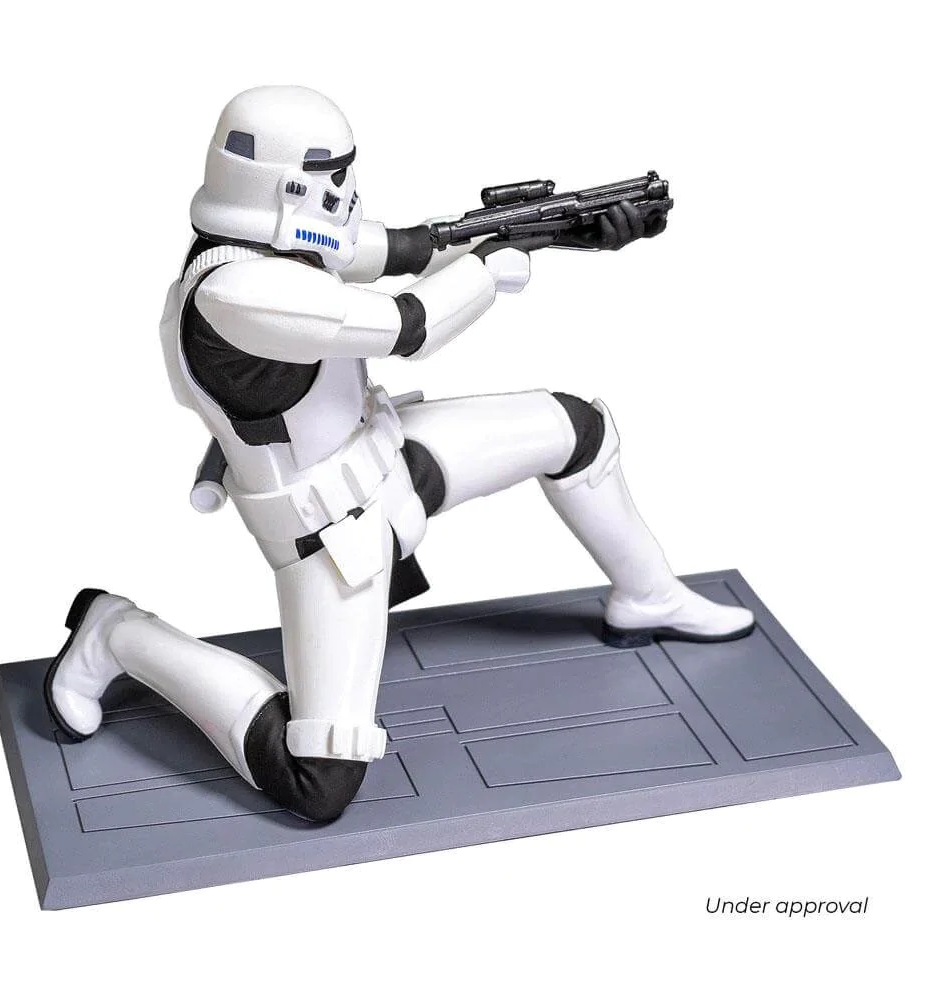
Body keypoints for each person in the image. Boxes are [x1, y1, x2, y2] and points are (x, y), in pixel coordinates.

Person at [44, 86, 753, 823]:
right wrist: (491, 267)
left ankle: (648, 596)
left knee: (576, 430)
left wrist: (561, 231)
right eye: (330, 174)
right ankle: (116, 634)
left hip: (388, 458)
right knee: (318, 781)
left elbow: (413, 246)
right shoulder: (241, 290)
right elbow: (408, 324)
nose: (344, 191)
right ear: (284, 183)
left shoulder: (290, 242)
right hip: (328, 535)